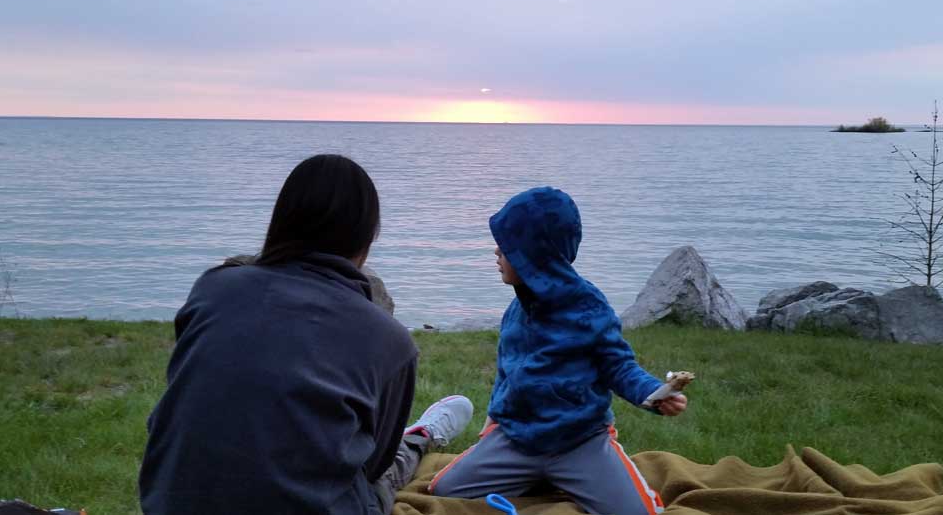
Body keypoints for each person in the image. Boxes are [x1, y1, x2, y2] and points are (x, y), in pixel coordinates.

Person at [139, 154, 472, 515]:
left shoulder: (213, 288)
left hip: (170, 501)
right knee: (384, 472)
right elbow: (372, 463)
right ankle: (420, 438)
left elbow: (185, 387)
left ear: (281, 220)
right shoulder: (388, 340)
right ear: (367, 235)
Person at [428, 187, 687, 515]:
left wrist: (654, 393)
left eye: (507, 247)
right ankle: (539, 476)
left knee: (640, 513)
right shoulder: (516, 309)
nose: (497, 252)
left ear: (534, 256)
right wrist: (493, 420)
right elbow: (507, 371)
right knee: (444, 489)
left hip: (580, 442)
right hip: (517, 439)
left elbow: (619, 366)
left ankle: (572, 474)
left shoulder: (589, 308)